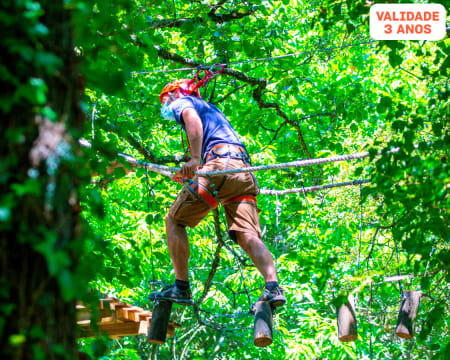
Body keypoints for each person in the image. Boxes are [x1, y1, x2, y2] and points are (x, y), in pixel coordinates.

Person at [150, 79, 285, 308]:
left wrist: (194, 160)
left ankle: (181, 287)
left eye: (166, 99)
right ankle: (273, 287)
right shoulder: (212, 111)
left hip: (220, 166)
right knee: (246, 235)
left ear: (175, 93)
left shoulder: (183, 102)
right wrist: (194, 171)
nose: (166, 106)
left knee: (174, 220)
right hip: (242, 172)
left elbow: (192, 120)